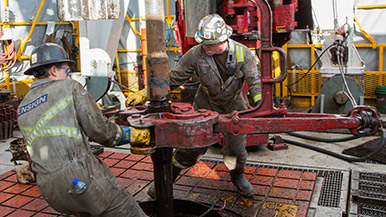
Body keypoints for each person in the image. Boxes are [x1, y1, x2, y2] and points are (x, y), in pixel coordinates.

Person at [127, 14, 261, 198]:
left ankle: (237, 177)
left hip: (235, 108)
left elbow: (255, 82)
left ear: (222, 39)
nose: (205, 47)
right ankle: (166, 182)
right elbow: (174, 78)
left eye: (209, 44)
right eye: (203, 43)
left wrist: (260, 106)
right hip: (205, 106)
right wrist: (146, 92)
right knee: (191, 148)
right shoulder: (197, 53)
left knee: (236, 151)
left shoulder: (243, 53)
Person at [17, 43, 149, 217]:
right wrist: (130, 134)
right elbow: (101, 131)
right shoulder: (68, 87)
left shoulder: (23, 107)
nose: (69, 75)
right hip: (81, 179)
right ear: (54, 70)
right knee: (126, 211)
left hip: (49, 189)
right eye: (67, 70)